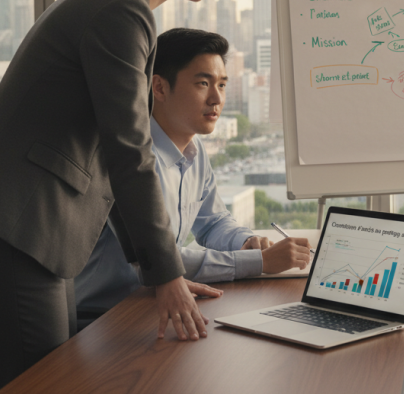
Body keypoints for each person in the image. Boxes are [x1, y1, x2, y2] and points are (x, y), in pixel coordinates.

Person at [0, 0, 229, 392]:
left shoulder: (115, 0)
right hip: (15, 223)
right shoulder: (121, 11)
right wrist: (166, 274)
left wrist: (158, 269)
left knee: (56, 375)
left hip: (31, 228)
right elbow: (130, 148)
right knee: (40, 385)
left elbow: (114, 148)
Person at [75, 29, 313, 311]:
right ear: (159, 87)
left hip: (157, 307)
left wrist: (246, 241)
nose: (216, 99)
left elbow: (212, 222)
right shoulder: (130, 160)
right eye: (203, 83)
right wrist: (260, 262)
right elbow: (164, 260)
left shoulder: (194, 151)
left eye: (222, 85)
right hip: (107, 318)